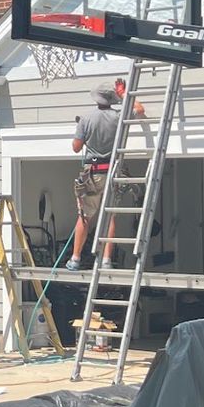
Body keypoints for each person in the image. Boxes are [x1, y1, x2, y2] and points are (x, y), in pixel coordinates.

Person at [66, 82, 121, 271]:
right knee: (110, 216)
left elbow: (76, 147)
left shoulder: (87, 119)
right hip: (113, 172)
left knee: (84, 216)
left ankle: (75, 258)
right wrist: (123, 95)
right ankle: (106, 260)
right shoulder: (118, 116)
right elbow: (138, 109)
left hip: (93, 173)